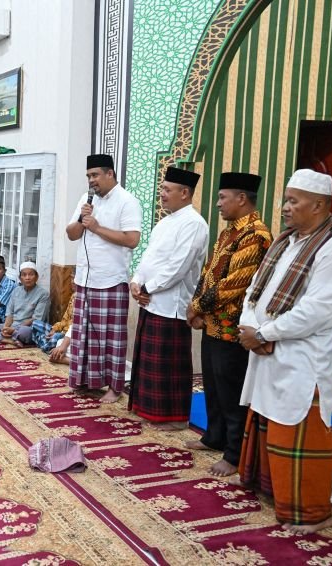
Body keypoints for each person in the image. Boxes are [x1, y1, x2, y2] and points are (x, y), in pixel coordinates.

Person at [235, 169, 332, 534]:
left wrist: (263, 332)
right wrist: (249, 325)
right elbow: (254, 291)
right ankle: (273, 491)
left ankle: (313, 512)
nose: (285, 207)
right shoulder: (285, 242)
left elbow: (316, 312)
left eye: (293, 201)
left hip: (301, 359)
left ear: (318, 205)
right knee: (271, 421)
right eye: (285, 200)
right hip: (267, 351)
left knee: (299, 428)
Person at [184, 172, 272, 476]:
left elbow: (234, 285)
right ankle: (214, 437)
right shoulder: (228, 233)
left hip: (233, 329)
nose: (218, 203)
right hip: (212, 323)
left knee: (232, 392)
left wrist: (196, 307)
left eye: (223, 197)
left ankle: (235, 455)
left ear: (242, 198)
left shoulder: (256, 235)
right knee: (213, 386)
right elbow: (208, 272)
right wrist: (197, 307)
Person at [127, 166, 209, 429]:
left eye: (166, 189)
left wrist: (147, 288)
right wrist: (136, 281)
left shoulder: (194, 224)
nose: (161, 194)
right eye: (162, 188)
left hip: (171, 306)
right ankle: (149, 410)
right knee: (150, 364)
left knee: (169, 367)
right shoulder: (164, 222)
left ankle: (174, 418)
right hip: (151, 301)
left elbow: (178, 267)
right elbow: (148, 257)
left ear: (184, 193)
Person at [66, 153, 142, 403]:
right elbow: (71, 234)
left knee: (111, 339)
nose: (91, 180)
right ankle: (85, 381)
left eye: (95, 175)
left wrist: (97, 227)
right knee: (84, 335)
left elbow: (132, 239)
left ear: (110, 174)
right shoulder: (86, 199)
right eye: (89, 176)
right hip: (86, 279)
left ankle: (115, 387)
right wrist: (82, 219)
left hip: (111, 280)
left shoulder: (127, 201)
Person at [0, 262, 49, 346]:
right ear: (20, 278)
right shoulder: (16, 291)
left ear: (36, 277)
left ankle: (5, 336)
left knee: (24, 332)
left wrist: (13, 329)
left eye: (31, 275)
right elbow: (9, 314)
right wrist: (5, 328)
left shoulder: (43, 294)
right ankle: (8, 339)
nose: (27, 278)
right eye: (24, 275)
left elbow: (36, 319)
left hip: (28, 328)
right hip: (12, 326)